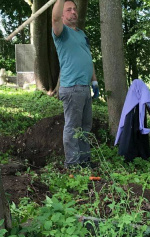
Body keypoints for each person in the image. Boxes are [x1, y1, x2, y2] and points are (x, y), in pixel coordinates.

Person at [52, 0, 98, 169]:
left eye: (74, 9)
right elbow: (55, 19)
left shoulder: (81, 34)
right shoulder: (61, 33)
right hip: (72, 88)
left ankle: (85, 161)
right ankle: (72, 164)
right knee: (72, 127)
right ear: (62, 14)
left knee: (86, 127)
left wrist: (94, 81)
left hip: (85, 88)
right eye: (68, 10)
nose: (73, 12)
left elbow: (88, 58)